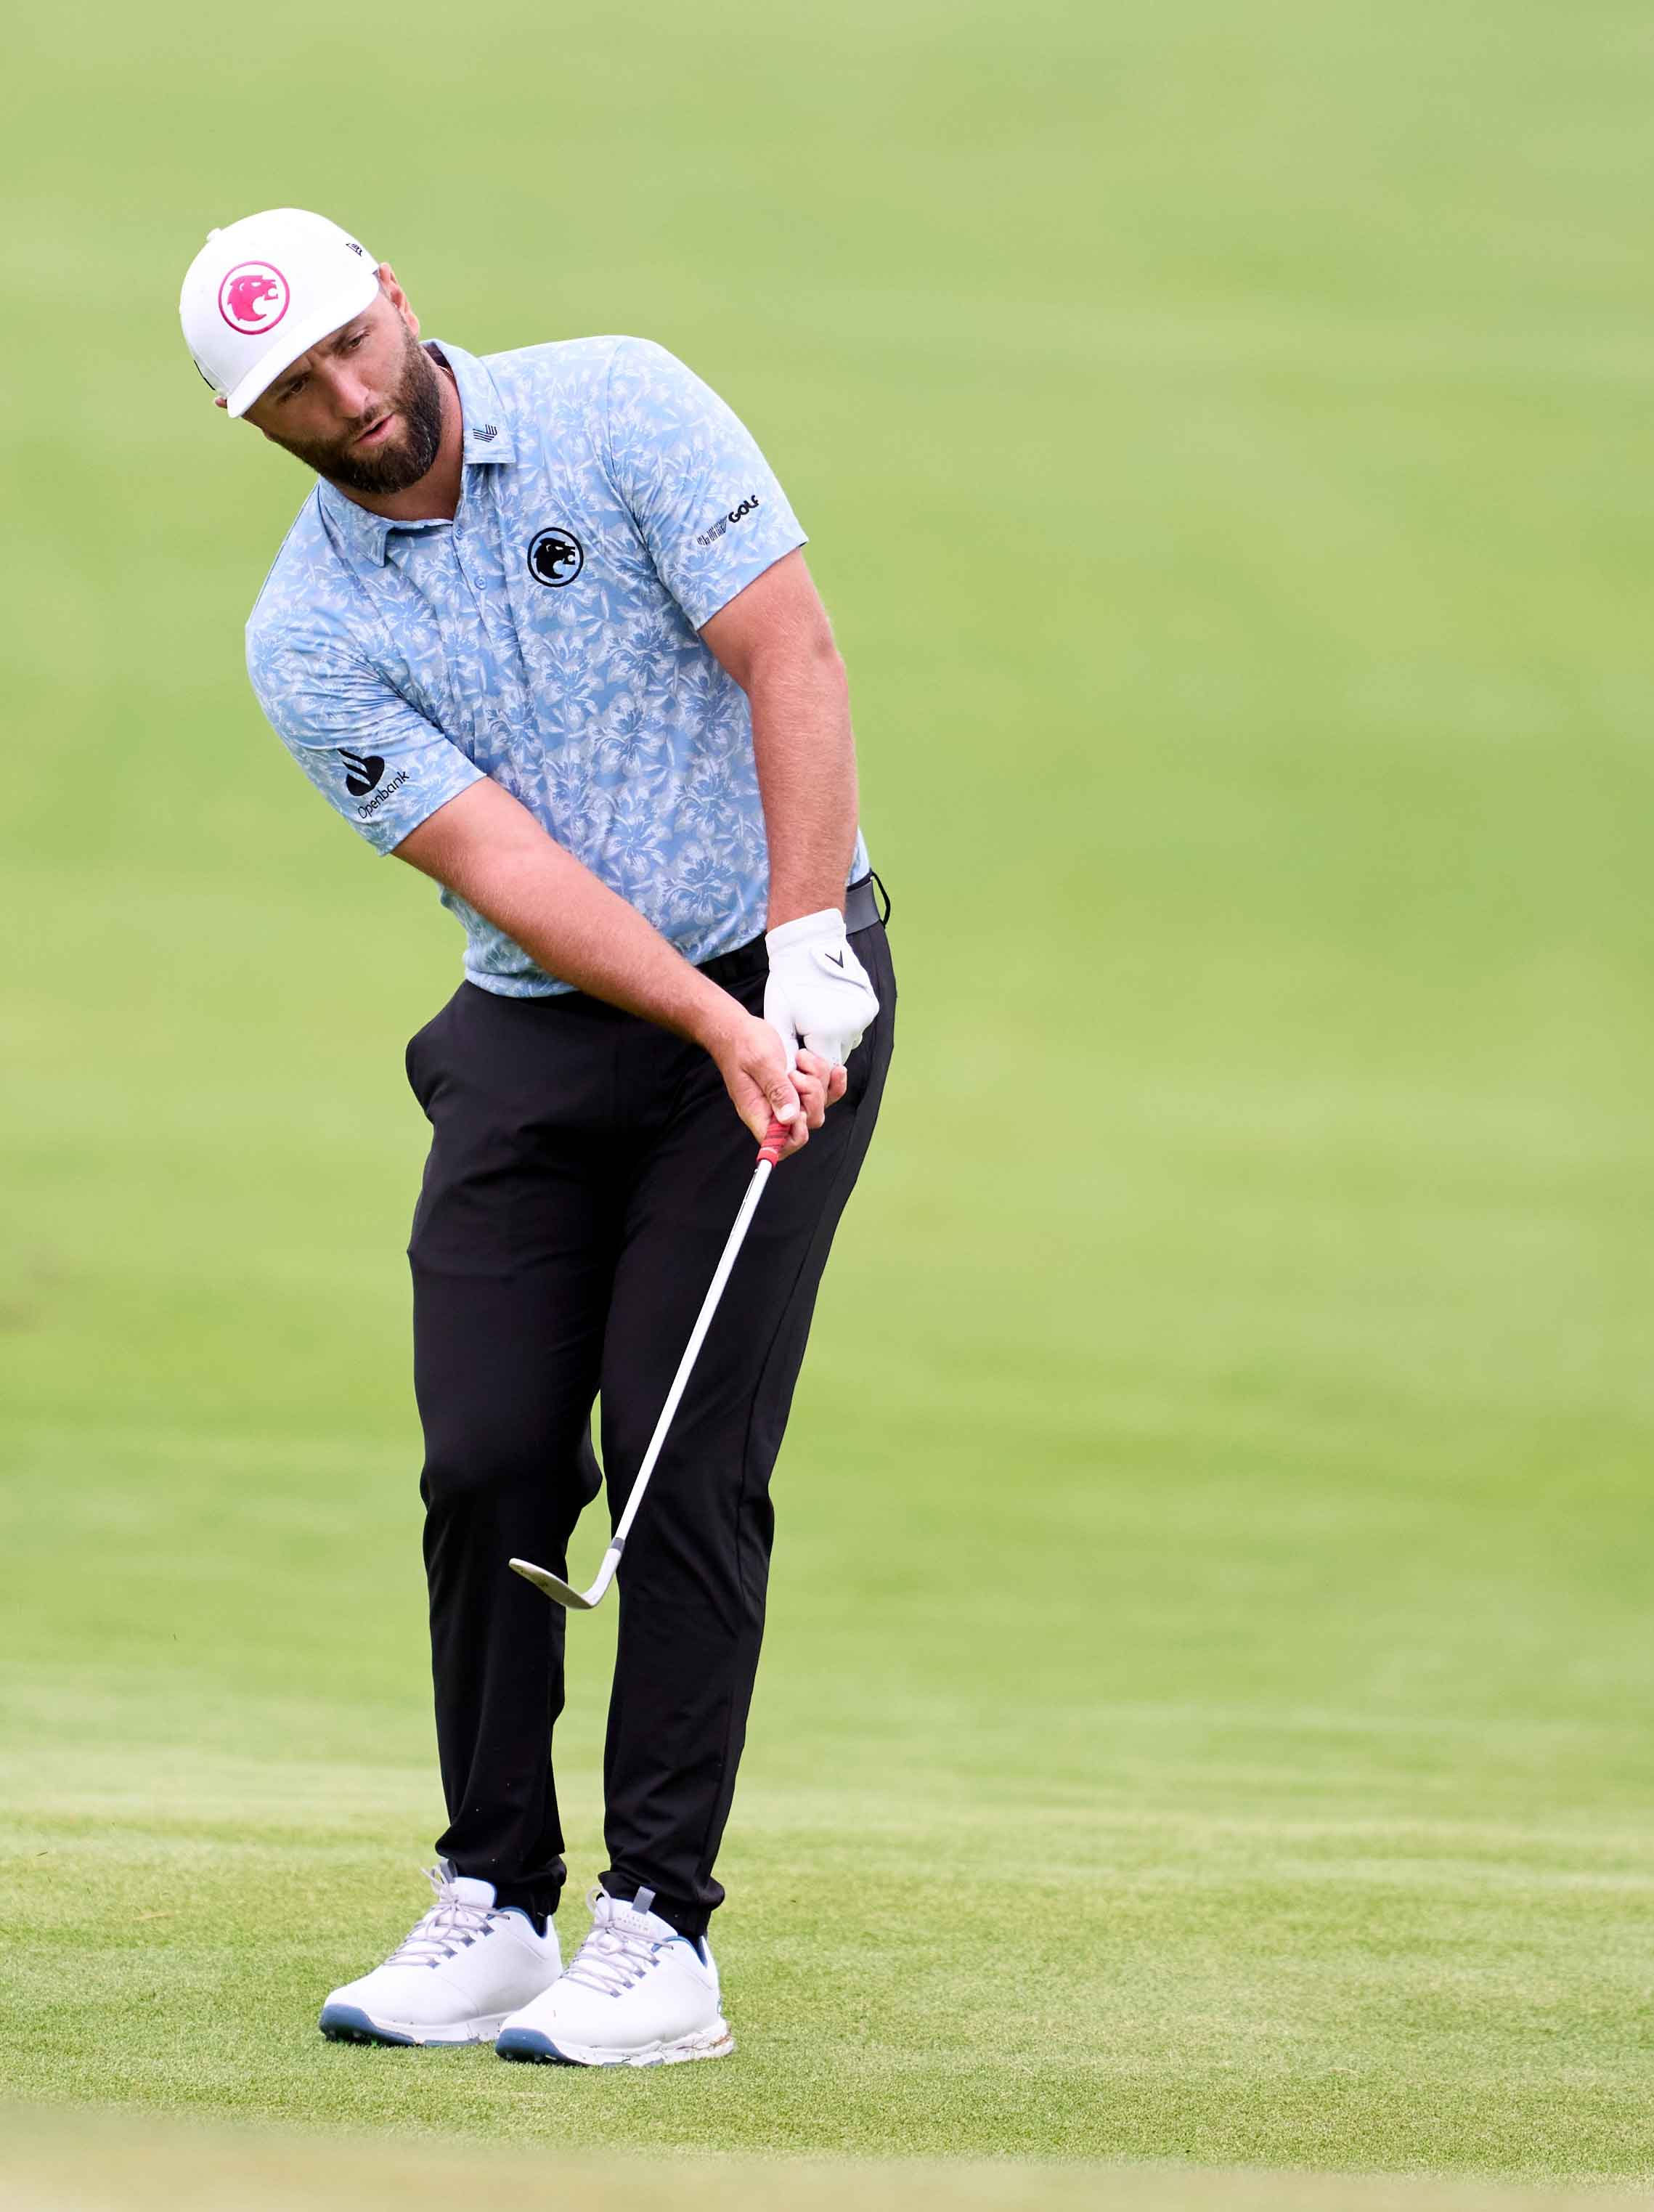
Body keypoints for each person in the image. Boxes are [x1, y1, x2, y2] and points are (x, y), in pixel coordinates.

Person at [178, 207, 896, 2067]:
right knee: (489, 1460)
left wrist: (804, 951)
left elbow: (789, 652)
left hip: (789, 977)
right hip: (548, 1031)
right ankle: (492, 1901)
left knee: (672, 1457)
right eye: (291, 393)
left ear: (394, 294)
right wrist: (705, 1011)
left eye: (347, 342)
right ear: (258, 426)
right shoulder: (306, 631)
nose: (345, 397)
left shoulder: (621, 409)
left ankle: (659, 1931)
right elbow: (504, 864)